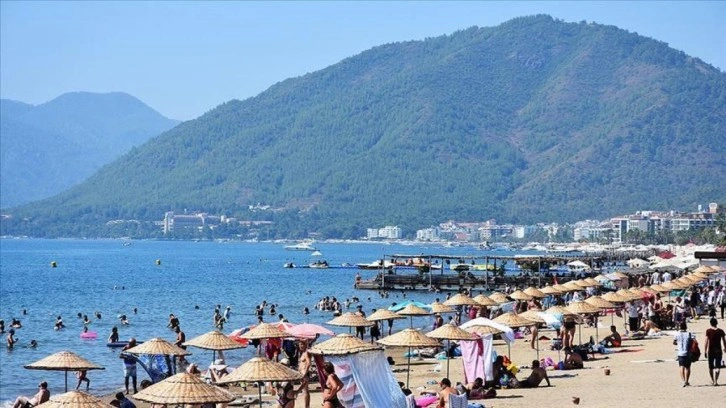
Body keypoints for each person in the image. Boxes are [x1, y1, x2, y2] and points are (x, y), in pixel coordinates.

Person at [704, 317, 726, 386]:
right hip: (718, 350)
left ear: (710, 323)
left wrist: (705, 350)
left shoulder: (708, 331)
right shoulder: (721, 331)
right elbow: (724, 341)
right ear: (717, 323)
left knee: (711, 366)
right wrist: (725, 348)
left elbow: (706, 341)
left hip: (711, 350)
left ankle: (712, 380)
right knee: (718, 366)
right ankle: (716, 381)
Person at [673, 322, 692, 387]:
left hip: (680, 352)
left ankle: (683, 381)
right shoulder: (689, 334)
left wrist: (678, 343)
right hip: (687, 352)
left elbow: (674, 342)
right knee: (687, 367)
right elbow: (692, 342)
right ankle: (686, 381)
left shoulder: (677, 334)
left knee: (681, 366)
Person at [297, 341, 311, 408]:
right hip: (301, 373)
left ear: (305, 345)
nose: (300, 346)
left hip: (304, 373)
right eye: (300, 344)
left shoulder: (306, 353)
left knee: (305, 391)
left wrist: (305, 373)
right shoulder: (302, 353)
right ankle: (306, 405)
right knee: (304, 390)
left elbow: (308, 363)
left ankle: (306, 406)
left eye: (302, 344)